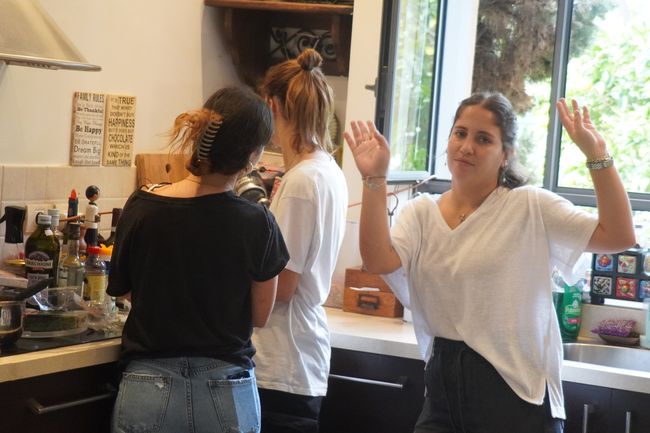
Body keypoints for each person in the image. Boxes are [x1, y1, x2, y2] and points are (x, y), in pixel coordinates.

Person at [344, 93, 635, 433]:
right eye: (460, 133)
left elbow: (619, 235)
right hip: (442, 394)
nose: (467, 147)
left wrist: (597, 156)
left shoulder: (530, 207)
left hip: (516, 399)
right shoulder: (420, 213)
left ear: (506, 154)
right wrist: (374, 179)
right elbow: (377, 259)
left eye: (483, 139)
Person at [107, 86, 290, 433]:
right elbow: (260, 315)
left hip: (148, 381)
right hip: (226, 386)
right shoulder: (257, 222)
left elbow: (124, 290)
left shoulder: (143, 206)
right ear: (253, 156)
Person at [251, 48, 349, 433]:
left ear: (272, 105)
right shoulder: (327, 171)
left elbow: (283, 284)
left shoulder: (301, 182)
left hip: (282, 362)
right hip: (298, 359)